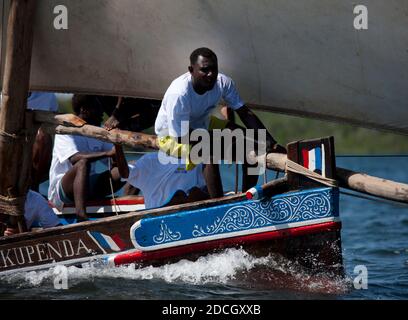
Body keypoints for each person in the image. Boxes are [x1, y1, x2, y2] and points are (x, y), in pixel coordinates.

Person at [155, 47, 285, 199]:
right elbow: (181, 136)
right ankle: (218, 203)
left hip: (202, 123)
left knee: (250, 140)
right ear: (191, 70)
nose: (210, 74)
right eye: (204, 70)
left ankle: (247, 198)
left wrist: (271, 142)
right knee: (209, 150)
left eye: (214, 69)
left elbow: (244, 112)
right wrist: (217, 139)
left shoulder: (223, 82)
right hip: (171, 136)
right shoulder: (179, 94)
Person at [48, 95, 125, 221]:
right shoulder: (65, 129)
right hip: (63, 191)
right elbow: (74, 159)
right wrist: (107, 153)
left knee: (128, 168)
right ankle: (81, 216)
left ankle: (129, 202)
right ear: (84, 110)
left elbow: (113, 161)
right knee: (82, 163)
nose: (102, 113)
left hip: (88, 186)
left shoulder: (98, 130)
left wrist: (117, 145)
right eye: (98, 108)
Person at [114, 146, 208, 209]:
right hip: (157, 218)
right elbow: (125, 174)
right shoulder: (150, 160)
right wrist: (117, 145)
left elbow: (206, 190)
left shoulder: (198, 160)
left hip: (189, 214)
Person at [26, 92, 60, 191]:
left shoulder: (49, 96)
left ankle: (34, 187)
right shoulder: (5, 95)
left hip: (38, 151)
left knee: (42, 136)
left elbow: (54, 123)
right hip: (12, 145)